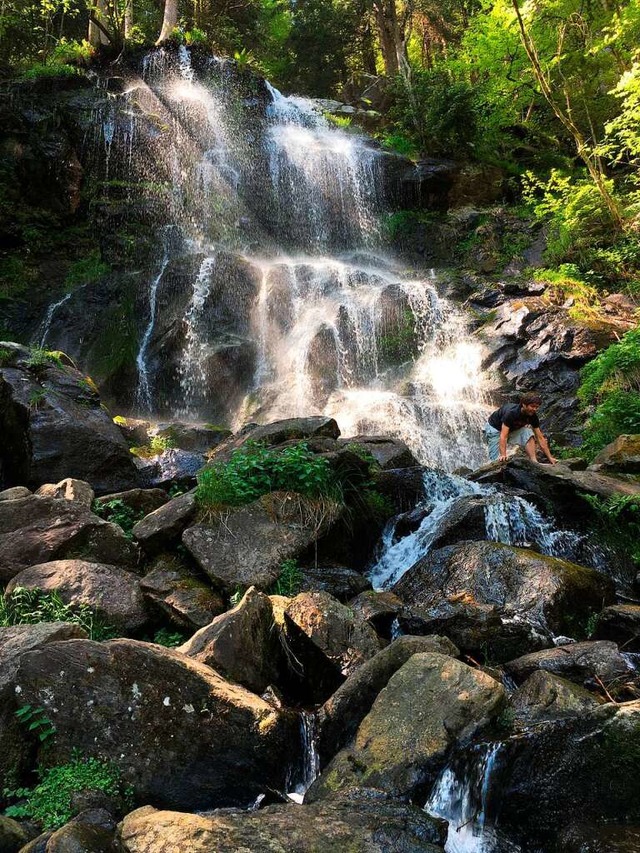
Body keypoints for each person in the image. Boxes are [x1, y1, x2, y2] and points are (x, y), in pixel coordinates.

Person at [484, 392, 557, 464]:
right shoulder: (511, 413)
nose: (534, 409)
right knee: (496, 461)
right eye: (532, 406)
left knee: (528, 432)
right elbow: (503, 436)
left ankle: (534, 462)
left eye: (536, 407)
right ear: (524, 405)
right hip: (494, 429)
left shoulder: (533, 416)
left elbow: (540, 438)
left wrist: (550, 458)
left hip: (511, 429)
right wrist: (503, 455)